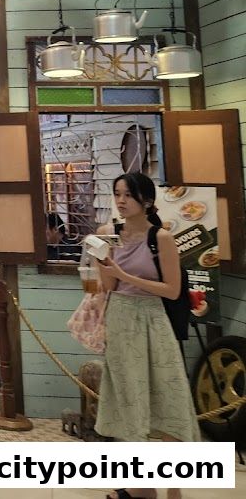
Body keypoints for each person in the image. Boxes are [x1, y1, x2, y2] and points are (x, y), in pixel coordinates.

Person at [94, 172, 199, 498]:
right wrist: (102, 263)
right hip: (120, 320)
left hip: (153, 321)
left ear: (148, 201)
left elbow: (171, 289)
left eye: (128, 195)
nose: (121, 201)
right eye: (117, 194)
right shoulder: (107, 234)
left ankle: (173, 488)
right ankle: (142, 487)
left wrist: (124, 274)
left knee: (170, 401)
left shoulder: (161, 238)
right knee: (130, 402)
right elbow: (109, 286)